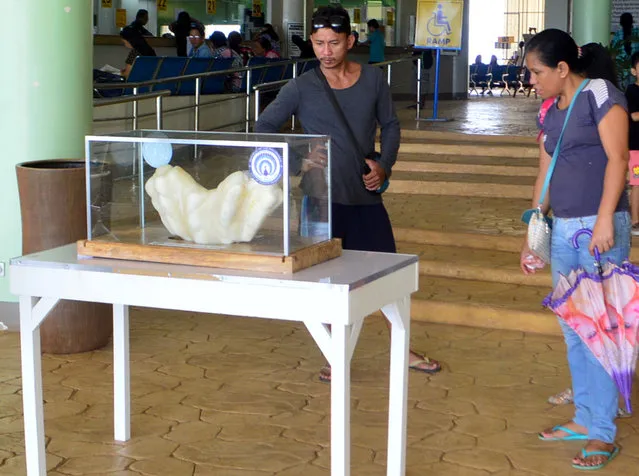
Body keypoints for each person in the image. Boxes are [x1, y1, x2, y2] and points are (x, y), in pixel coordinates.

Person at [254, 5, 441, 382]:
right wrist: (299, 158)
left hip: (364, 194)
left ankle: (401, 348)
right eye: (319, 43)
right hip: (319, 199)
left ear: (350, 41)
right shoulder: (302, 86)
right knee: (325, 282)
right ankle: (335, 351)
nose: (326, 51)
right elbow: (264, 127)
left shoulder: (372, 80)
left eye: (334, 43)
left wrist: (384, 164)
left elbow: (390, 126)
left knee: (388, 272)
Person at [521, 29, 630, 471]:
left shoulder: (600, 94)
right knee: (574, 328)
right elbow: (545, 170)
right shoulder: (552, 111)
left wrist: (606, 217)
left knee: (601, 330)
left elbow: (619, 160)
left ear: (563, 68)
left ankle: (603, 431)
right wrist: (533, 230)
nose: (530, 80)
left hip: (598, 228)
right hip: (563, 229)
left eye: (536, 72)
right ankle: (585, 417)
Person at [627, 52, 639, 233]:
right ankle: (635, 221)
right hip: (636, 147)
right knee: (637, 184)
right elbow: (634, 116)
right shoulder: (631, 91)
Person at [612, 13, 639, 88]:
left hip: (621, 70)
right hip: (635, 69)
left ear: (621, 23)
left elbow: (614, 52)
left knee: (623, 92)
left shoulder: (617, 34)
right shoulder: (637, 32)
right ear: (632, 22)